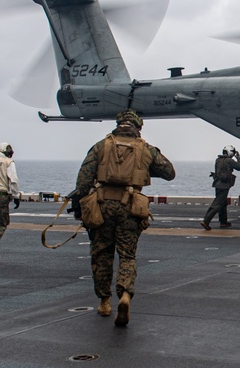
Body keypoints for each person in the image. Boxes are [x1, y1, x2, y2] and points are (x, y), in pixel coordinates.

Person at [70, 110, 175, 327]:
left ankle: (105, 302)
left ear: (118, 124)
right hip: (130, 206)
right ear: (138, 127)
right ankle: (125, 295)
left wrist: (79, 206)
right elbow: (169, 172)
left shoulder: (101, 146)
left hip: (102, 205)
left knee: (101, 254)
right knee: (127, 255)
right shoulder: (146, 148)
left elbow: (83, 180)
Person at [201, 145, 240, 230]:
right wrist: (238, 158)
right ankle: (206, 221)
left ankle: (223, 222)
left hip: (217, 184)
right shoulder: (229, 161)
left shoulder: (218, 160)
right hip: (224, 185)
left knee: (223, 203)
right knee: (218, 204)